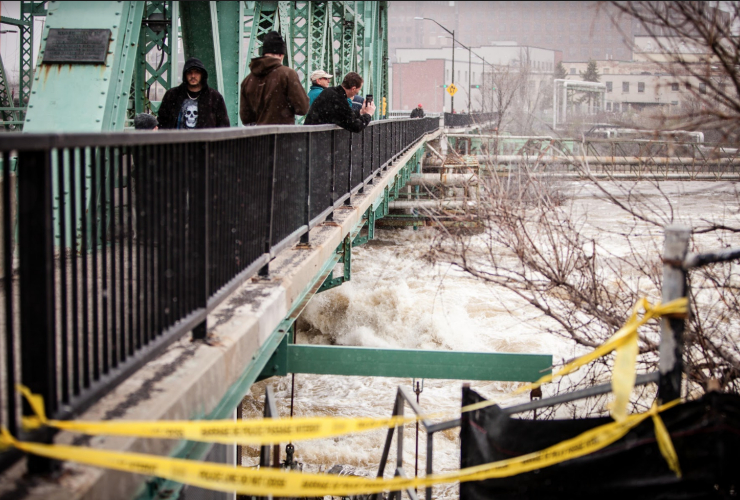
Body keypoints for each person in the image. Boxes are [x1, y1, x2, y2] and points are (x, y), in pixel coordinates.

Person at [240, 31, 309, 125]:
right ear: (281, 55)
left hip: (259, 137)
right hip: (283, 136)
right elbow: (302, 108)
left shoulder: (247, 80)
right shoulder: (288, 74)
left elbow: (246, 118)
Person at [158, 57, 230, 129]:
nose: (193, 76)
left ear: (202, 74)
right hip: (177, 140)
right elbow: (162, 122)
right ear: (185, 75)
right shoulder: (172, 95)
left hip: (205, 140)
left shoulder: (214, 97)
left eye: (196, 72)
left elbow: (223, 125)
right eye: (189, 72)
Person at [304, 72, 376, 133]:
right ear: (353, 89)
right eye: (358, 90)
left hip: (310, 136)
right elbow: (355, 126)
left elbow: (345, 116)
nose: (357, 92)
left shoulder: (331, 92)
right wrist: (368, 114)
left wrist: (361, 112)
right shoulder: (338, 99)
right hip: (315, 139)